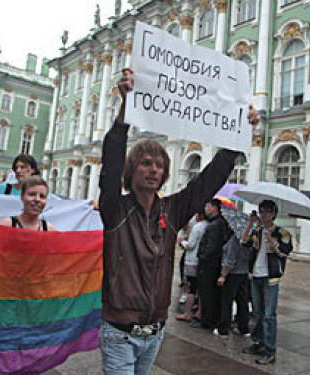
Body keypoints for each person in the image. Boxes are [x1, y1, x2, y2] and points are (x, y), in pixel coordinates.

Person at [98, 69, 259, 374]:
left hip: (156, 330)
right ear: (132, 171)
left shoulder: (172, 210)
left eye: (160, 165)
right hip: (119, 332)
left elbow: (207, 183)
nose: (154, 169)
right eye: (146, 163)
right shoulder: (115, 209)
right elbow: (112, 158)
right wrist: (125, 109)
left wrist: (239, 136)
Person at [241, 200, 293, 365]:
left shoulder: (282, 232)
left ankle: (270, 350)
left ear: (274, 214)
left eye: (267, 212)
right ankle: (259, 342)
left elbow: (284, 253)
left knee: (269, 315)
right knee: (257, 313)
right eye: (261, 211)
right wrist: (250, 225)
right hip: (256, 275)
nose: (263, 215)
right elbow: (243, 242)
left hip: (271, 277)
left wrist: (271, 239)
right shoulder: (257, 230)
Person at [193, 199, 232, 331]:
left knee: (208, 293)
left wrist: (202, 257)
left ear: (215, 208)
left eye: (207, 206)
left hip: (209, 265)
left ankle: (208, 320)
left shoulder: (215, 225)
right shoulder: (218, 223)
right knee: (210, 294)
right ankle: (210, 319)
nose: (205, 209)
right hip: (213, 264)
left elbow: (212, 247)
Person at [215, 233, 251, 337]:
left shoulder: (235, 238)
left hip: (232, 274)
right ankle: (243, 328)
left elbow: (230, 258)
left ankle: (223, 329)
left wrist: (223, 275)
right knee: (243, 302)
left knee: (227, 301)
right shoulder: (249, 238)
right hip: (244, 273)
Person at [176, 212, 207, 322]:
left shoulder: (197, 227)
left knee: (191, 287)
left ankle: (187, 313)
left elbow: (191, 245)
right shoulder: (208, 225)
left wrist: (182, 241)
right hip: (201, 260)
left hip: (192, 260)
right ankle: (199, 312)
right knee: (199, 287)